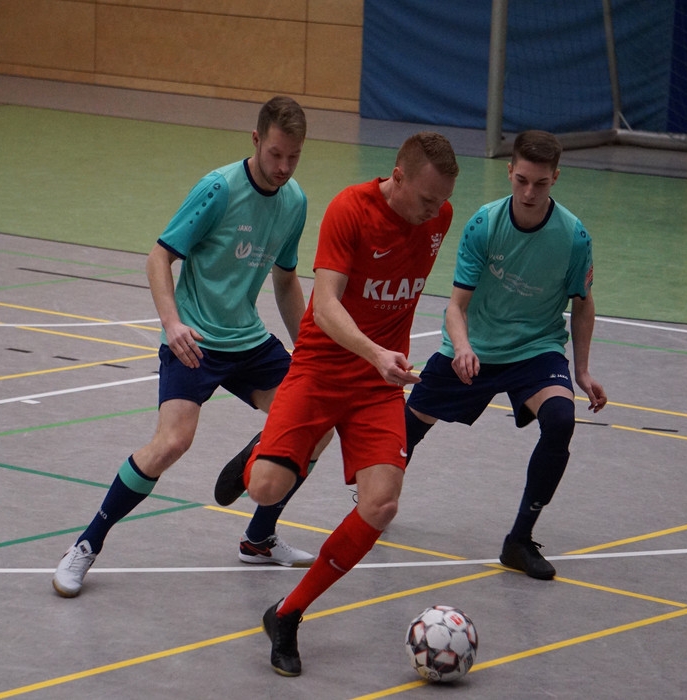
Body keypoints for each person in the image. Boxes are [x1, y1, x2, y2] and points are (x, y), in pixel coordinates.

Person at [52, 96, 329, 598]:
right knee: (172, 443)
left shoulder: (295, 202)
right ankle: (86, 545)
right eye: (275, 154)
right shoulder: (218, 189)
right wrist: (172, 323)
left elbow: (286, 280)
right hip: (194, 339)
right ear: (255, 140)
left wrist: (309, 351)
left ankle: (259, 538)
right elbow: (159, 258)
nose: (284, 167)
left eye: (294, 157)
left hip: (248, 339)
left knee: (317, 422)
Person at [214, 132, 460, 676]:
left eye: (442, 201)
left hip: (377, 384)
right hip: (322, 369)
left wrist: (385, 361)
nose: (434, 211)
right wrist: (376, 352)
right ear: (398, 176)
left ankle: (287, 613)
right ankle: (259, 454)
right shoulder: (350, 209)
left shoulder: (437, 219)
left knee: (381, 504)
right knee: (265, 488)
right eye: (425, 198)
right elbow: (324, 307)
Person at [404, 130, 607, 581]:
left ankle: (519, 540)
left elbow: (583, 302)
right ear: (509, 172)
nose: (530, 192)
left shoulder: (574, 237)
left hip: (536, 349)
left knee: (560, 420)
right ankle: (374, 501)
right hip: (476, 345)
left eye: (541, 183)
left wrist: (582, 369)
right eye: (522, 181)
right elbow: (456, 306)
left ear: (556, 178)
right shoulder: (485, 224)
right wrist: (462, 347)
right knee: (406, 430)